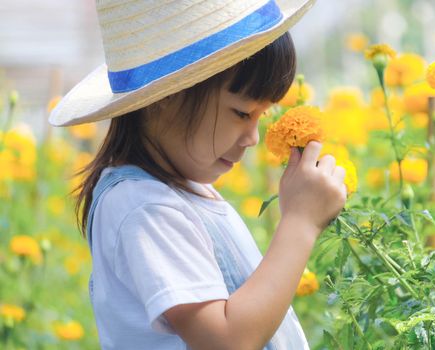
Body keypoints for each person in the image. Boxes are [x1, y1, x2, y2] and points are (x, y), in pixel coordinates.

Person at [50, 0, 347, 349]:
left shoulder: (179, 190)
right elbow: (225, 340)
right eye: (241, 113)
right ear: (167, 96)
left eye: (261, 116)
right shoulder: (142, 207)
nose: (253, 138)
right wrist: (300, 222)